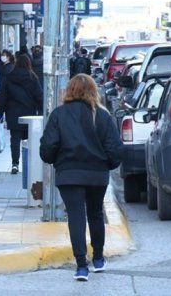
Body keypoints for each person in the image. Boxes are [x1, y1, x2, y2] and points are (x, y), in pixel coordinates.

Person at [40, 74, 123, 282]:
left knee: (76, 216)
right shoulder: (102, 116)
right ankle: (98, 259)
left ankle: (81, 266)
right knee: (95, 214)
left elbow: (48, 147)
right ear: (94, 91)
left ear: (69, 90)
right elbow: (114, 150)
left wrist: (56, 160)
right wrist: (106, 165)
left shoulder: (59, 114)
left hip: (69, 174)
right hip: (97, 174)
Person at [0, 55, 43, 174]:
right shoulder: (33, 78)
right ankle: (29, 163)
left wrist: (0, 112)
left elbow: (3, 97)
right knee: (30, 140)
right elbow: (39, 96)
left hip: (13, 114)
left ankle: (15, 164)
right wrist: (41, 111)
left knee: (15, 139)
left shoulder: (9, 78)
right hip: (29, 114)